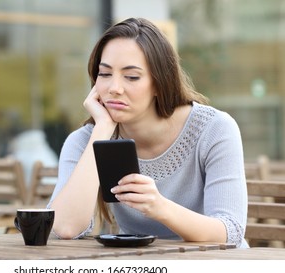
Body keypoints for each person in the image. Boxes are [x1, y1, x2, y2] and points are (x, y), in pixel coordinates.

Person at [48, 17, 248, 248]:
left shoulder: (214, 129)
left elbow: (231, 232)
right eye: (104, 74)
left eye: (131, 77)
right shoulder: (87, 139)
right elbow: (65, 228)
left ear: (159, 82)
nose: (114, 88)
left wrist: (159, 207)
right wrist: (102, 129)